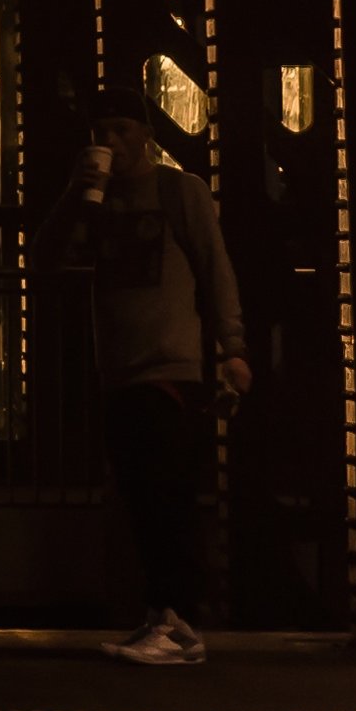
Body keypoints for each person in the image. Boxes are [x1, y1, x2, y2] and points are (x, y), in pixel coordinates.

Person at [72, 113, 246, 665]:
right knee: (140, 499)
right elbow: (56, 253)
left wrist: (232, 348)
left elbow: (215, 266)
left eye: (121, 130)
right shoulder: (95, 198)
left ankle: (179, 623)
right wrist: (80, 195)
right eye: (101, 132)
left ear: (145, 134)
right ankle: (160, 617)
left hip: (168, 368)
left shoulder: (178, 191)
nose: (110, 142)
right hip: (120, 370)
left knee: (164, 495)